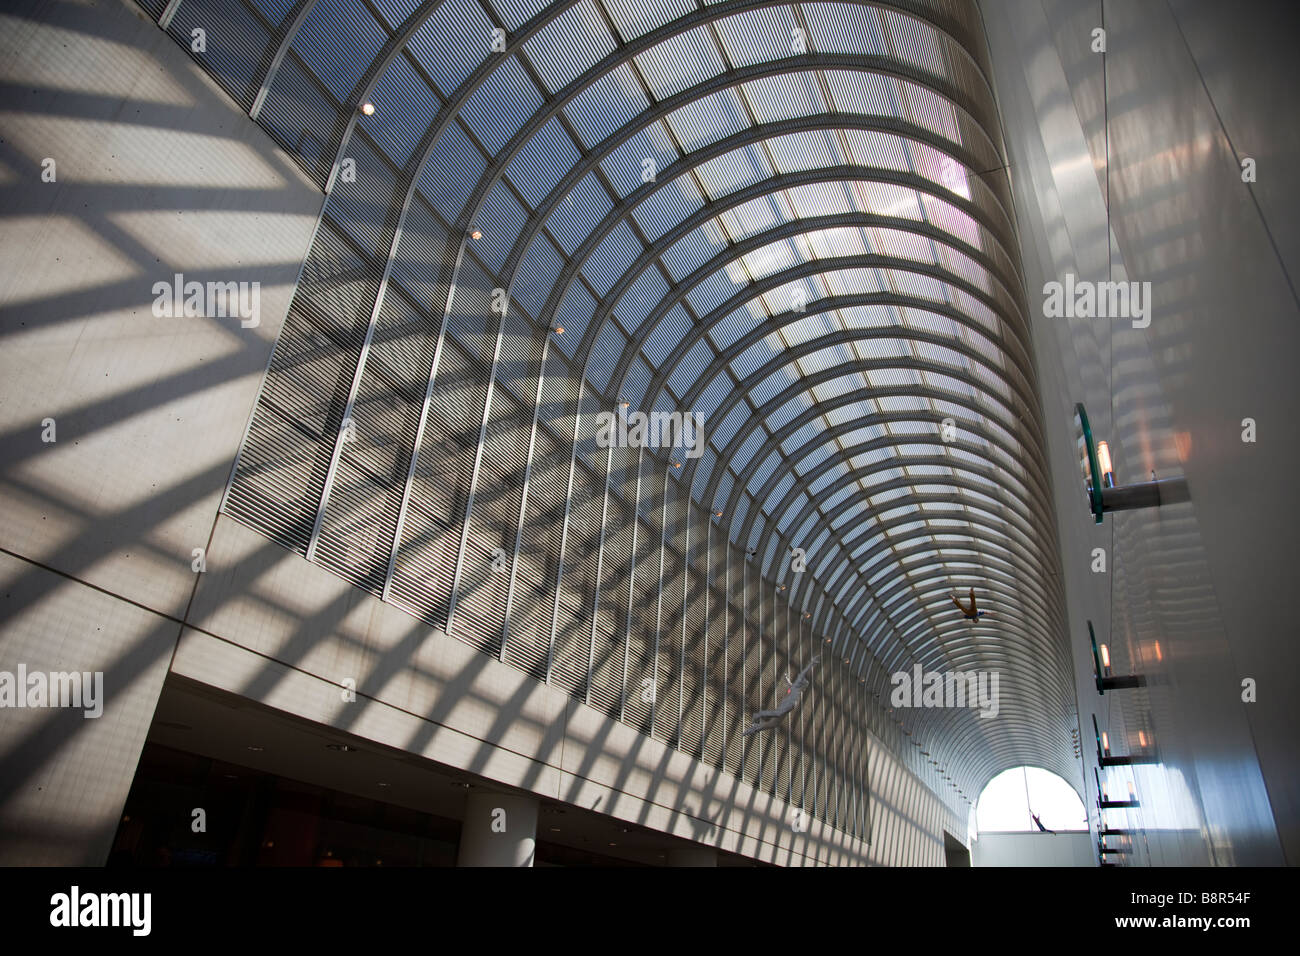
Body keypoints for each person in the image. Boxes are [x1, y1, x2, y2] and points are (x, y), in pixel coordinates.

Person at [741, 656, 820, 736]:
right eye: (805, 686)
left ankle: (755, 728)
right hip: (788, 704)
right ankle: (758, 716)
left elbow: (790, 684)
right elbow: (801, 675)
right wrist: (811, 664)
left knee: (774, 723)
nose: (805, 688)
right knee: (777, 715)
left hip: (789, 705)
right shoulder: (797, 688)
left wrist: (787, 679)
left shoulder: (796, 689)